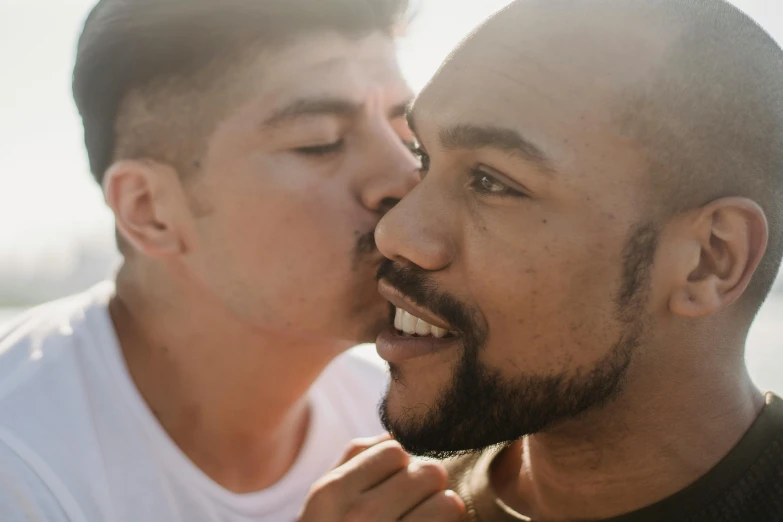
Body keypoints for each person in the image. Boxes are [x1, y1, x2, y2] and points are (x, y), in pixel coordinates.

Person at [0, 0, 449, 520]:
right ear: (150, 210)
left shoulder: (400, 431)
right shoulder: (20, 462)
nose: (407, 178)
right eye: (320, 143)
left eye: (406, 136)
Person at [357, 0, 781, 520]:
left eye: (492, 182)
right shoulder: (388, 506)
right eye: (424, 157)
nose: (394, 233)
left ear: (709, 261)